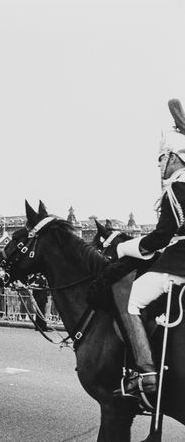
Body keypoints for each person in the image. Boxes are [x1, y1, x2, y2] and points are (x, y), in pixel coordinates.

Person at [113, 102, 185, 399]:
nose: (158, 164)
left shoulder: (176, 188)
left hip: (180, 262)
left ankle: (146, 372)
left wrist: (122, 248)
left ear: (172, 157)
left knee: (131, 300)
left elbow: (159, 237)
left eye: (160, 158)